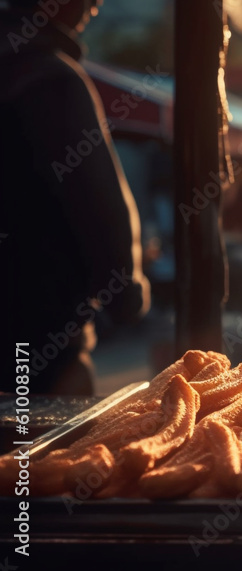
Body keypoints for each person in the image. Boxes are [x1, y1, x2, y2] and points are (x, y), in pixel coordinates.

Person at [1, 0, 149, 395]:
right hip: (38, 337)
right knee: (38, 453)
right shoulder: (50, 79)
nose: (96, 6)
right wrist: (125, 293)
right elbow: (100, 203)